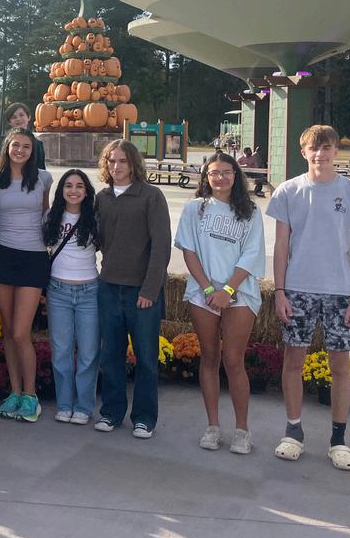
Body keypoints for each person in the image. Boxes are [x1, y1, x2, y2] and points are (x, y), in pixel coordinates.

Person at [268, 125, 350, 472]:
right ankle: (293, 431)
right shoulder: (288, 191)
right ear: (304, 153)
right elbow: (281, 246)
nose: (321, 154)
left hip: (340, 293)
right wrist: (280, 292)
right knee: (293, 362)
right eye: (314, 149)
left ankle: (338, 440)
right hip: (298, 290)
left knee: (340, 366)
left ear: (336, 151)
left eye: (326, 148)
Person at [175, 152, 266, 454]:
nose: (220, 178)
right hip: (203, 293)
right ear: (206, 177)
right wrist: (208, 288)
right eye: (214, 173)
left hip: (239, 293)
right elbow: (189, 251)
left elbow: (252, 254)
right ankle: (213, 426)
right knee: (210, 357)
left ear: (236, 175)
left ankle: (242, 430)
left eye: (226, 172)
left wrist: (227, 290)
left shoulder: (250, 211)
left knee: (234, 360)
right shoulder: (195, 209)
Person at [94, 139, 171, 439]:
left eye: (122, 161)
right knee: (110, 355)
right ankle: (111, 412)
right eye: (111, 161)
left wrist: (150, 290)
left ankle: (144, 417)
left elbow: (161, 247)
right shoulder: (102, 198)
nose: (116, 166)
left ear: (133, 163)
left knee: (146, 358)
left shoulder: (151, 196)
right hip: (108, 288)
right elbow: (95, 239)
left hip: (141, 293)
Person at [0, 128, 53, 422]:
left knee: (20, 332)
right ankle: (14, 392)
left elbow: (47, 214)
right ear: (6, 147)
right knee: (7, 332)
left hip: (33, 257)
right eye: (16, 145)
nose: (20, 150)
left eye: (26, 146)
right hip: (3, 255)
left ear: (32, 151)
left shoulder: (43, 178)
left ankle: (31, 396)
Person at [43, 169, 100, 425]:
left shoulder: (95, 218)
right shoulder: (51, 216)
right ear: (61, 190)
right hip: (58, 291)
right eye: (68, 185)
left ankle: (84, 407)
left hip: (89, 291)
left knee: (88, 353)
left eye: (79, 186)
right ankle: (65, 404)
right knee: (61, 352)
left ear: (86, 192)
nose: (73, 190)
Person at [0, 103, 46, 170]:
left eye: (21, 115)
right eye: (14, 117)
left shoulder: (37, 144)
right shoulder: (2, 142)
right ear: (9, 122)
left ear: (29, 117)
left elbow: (41, 169)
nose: (18, 119)